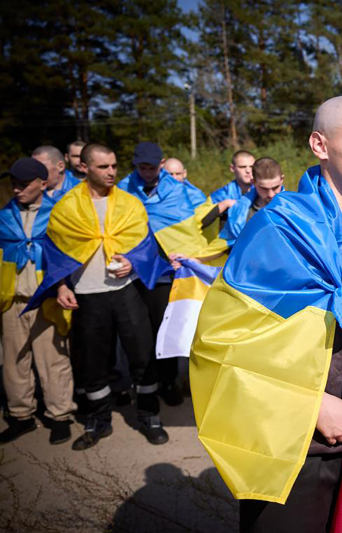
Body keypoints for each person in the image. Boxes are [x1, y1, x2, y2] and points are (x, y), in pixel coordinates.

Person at [190, 96, 342, 533]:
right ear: (320, 145)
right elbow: (221, 344)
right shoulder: (279, 226)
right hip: (290, 442)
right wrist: (311, 405)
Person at [28, 143, 170, 450]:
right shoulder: (66, 207)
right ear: (84, 168)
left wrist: (134, 262)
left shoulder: (130, 204)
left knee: (142, 354)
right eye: (103, 167)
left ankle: (148, 414)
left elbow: (146, 246)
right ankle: (99, 420)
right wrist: (62, 286)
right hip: (88, 295)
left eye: (114, 166)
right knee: (92, 361)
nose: (111, 172)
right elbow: (56, 251)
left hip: (126, 292)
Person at [117, 142, 207, 406]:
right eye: (141, 166)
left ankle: (168, 382)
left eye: (151, 166)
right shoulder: (123, 189)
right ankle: (142, 383)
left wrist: (185, 254)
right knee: (135, 331)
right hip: (133, 272)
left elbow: (192, 227)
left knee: (162, 328)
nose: (146, 171)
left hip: (166, 273)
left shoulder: (178, 190)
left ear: (161, 163)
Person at [0, 158, 76, 445]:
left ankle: (59, 416)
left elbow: (68, 256)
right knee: (13, 359)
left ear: (42, 184)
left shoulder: (58, 215)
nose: (17, 190)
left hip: (47, 297)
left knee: (53, 359)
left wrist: (62, 287)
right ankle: (21, 415)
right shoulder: (4, 217)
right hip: (12, 299)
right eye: (14, 185)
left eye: (24, 184)